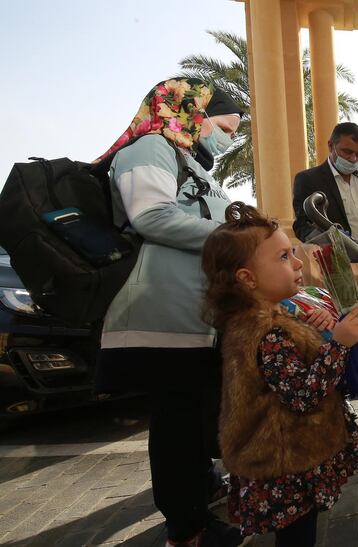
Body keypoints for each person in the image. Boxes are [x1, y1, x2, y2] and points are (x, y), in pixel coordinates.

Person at [93, 78, 245, 546]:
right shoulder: (150, 149)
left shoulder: (190, 163)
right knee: (176, 423)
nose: (227, 139)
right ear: (192, 111)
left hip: (192, 320)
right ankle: (188, 530)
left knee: (194, 413)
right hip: (160, 318)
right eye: (224, 126)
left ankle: (199, 492)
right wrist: (237, 240)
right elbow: (152, 216)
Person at [201, 202, 358, 547]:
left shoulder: (259, 321)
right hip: (285, 464)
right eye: (282, 258)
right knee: (297, 536)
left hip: (281, 462)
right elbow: (303, 395)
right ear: (247, 279)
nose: (296, 263)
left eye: (292, 253)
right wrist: (337, 344)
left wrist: (316, 328)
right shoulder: (268, 333)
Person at [292, 122, 358, 242]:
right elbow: (302, 226)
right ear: (331, 146)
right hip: (339, 258)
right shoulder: (308, 180)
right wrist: (331, 244)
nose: (353, 159)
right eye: (347, 152)